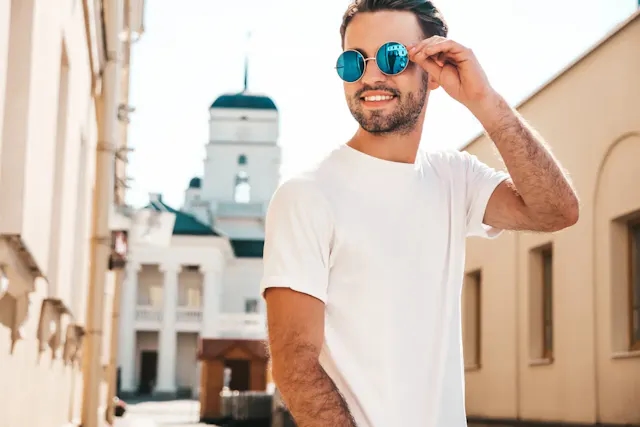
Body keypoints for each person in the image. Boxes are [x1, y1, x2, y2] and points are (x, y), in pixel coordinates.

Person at [261, 1, 580, 426]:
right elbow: (293, 366)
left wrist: (484, 101)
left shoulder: (454, 177)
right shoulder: (306, 195)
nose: (371, 76)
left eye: (392, 57)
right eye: (354, 62)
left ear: (432, 69)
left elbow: (556, 211)